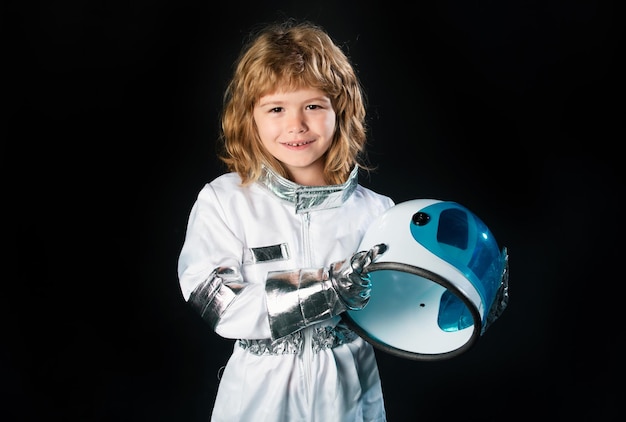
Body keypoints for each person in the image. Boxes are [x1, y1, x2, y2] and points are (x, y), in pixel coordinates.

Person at [177, 19, 394, 422]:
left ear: (340, 110)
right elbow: (221, 306)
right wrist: (328, 288)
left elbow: (398, 307)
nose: (296, 125)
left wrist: (464, 298)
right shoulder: (224, 202)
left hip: (347, 396)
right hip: (260, 399)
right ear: (249, 117)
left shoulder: (377, 211)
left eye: (313, 105)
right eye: (276, 108)